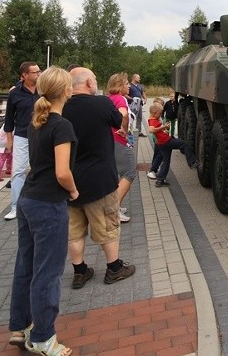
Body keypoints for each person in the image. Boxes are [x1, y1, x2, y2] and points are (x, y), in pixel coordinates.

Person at [8, 66, 78, 355]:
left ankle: (21, 326)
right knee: (47, 273)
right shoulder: (61, 125)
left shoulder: (37, 121)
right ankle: (43, 337)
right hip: (49, 204)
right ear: (66, 91)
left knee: (25, 265)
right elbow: (62, 172)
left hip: (27, 199)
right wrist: (73, 190)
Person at [62, 67, 136, 289]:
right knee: (108, 226)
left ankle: (80, 271)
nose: (95, 82)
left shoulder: (61, 107)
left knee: (75, 230)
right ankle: (114, 268)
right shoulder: (102, 104)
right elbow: (118, 121)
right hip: (99, 179)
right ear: (87, 83)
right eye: (93, 79)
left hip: (70, 181)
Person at [3, 62, 42, 221]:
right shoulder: (15, 93)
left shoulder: (44, 90)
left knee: (41, 170)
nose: (39, 74)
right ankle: (16, 207)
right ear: (24, 75)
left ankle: (40, 203)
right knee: (18, 171)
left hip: (42, 135)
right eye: (35, 72)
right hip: (22, 135)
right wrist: (9, 139)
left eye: (39, 71)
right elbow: (9, 118)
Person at [106, 72, 136, 223]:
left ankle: (115, 206)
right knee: (129, 172)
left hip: (109, 139)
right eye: (126, 84)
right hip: (119, 140)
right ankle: (113, 210)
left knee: (116, 174)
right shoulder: (120, 99)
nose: (129, 86)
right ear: (119, 86)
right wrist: (124, 129)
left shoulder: (110, 99)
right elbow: (123, 115)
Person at [148, 101, 199, 187]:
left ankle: (160, 180)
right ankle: (192, 162)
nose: (160, 115)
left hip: (162, 143)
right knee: (183, 144)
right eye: (160, 113)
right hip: (166, 141)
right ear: (154, 112)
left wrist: (164, 129)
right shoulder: (153, 120)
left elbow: (157, 130)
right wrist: (163, 127)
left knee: (166, 161)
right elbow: (151, 130)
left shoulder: (153, 119)